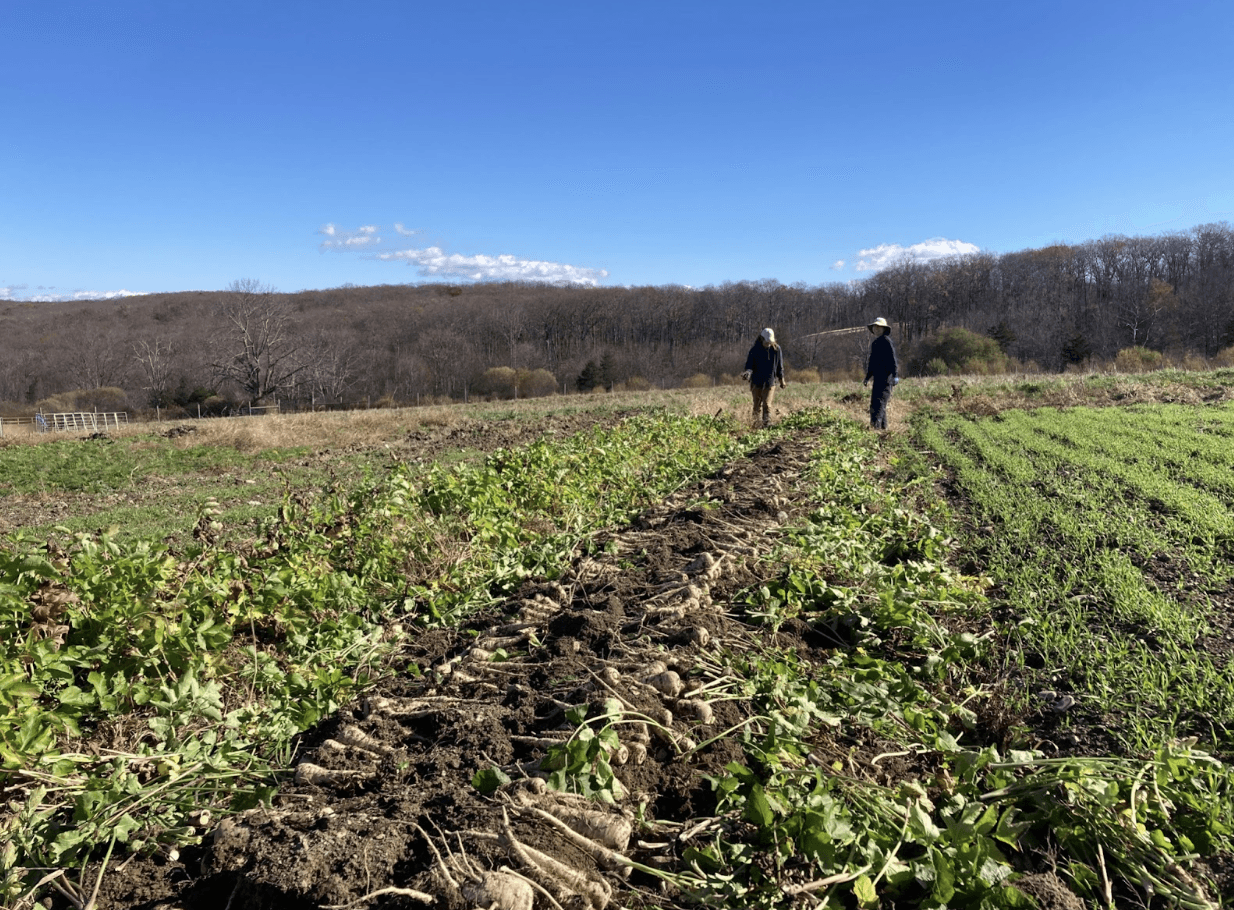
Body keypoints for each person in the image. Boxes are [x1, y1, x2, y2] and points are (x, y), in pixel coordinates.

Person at [741, 328, 786, 427]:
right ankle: (756, 424)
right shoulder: (754, 350)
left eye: (770, 342)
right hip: (756, 382)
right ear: (761, 339)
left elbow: (779, 366)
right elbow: (749, 365)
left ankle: (766, 423)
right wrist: (747, 373)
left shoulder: (777, 349)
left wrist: (781, 379)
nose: (768, 344)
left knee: (767, 404)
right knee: (757, 406)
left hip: (770, 382)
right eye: (766, 342)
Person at [863, 317, 899, 430]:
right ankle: (883, 430)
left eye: (879, 327)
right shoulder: (875, 343)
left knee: (878, 404)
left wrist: (895, 375)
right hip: (877, 379)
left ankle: (875, 429)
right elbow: (872, 363)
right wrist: (868, 377)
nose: (876, 329)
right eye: (875, 327)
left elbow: (892, 359)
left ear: (884, 329)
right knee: (876, 404)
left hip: (886, 379)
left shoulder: (887, 341)